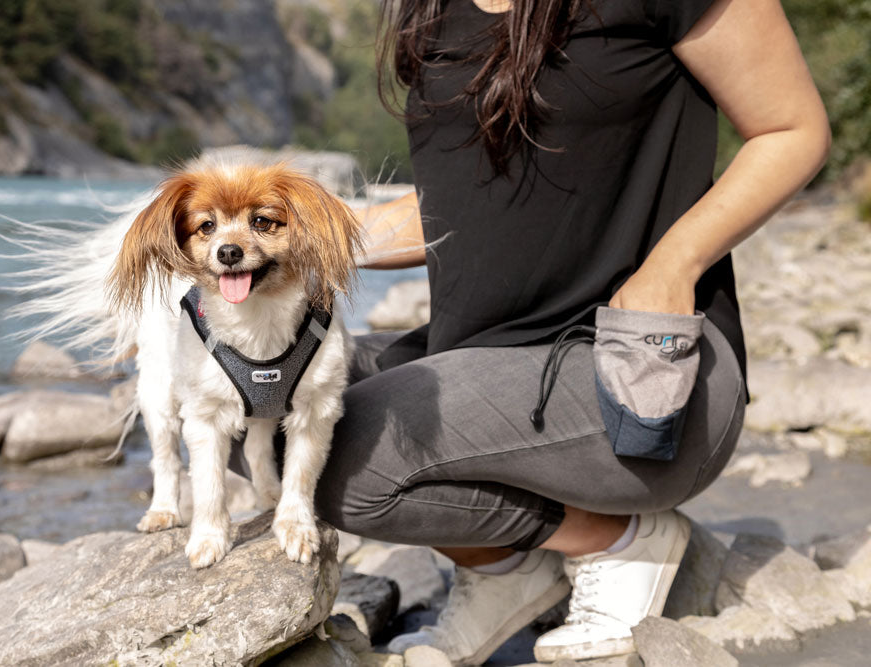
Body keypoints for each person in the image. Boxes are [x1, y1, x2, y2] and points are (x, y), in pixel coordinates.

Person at [229, 0, 830, 662]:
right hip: (491, 364)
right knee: (249, 406)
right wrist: (276, 245)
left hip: (646, 374)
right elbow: (459, 207)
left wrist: (675, 262)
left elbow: (791, 128)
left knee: (346, 450)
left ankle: (617, 539)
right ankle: (504, 570)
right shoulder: (436, 10)